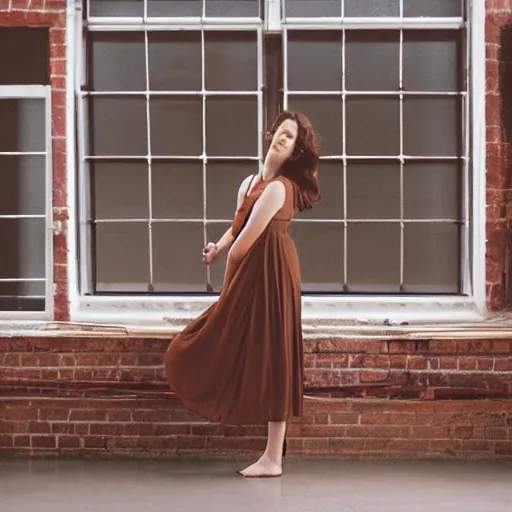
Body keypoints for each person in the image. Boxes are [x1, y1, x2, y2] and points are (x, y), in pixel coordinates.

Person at [164, 110, 321, 477]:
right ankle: (271, 457)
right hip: (252, 266)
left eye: (292, 137)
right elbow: (236, 231)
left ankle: (273, 459)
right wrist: (215, 249)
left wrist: (226, 294)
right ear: (270, 136)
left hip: (272, 270)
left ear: (296, 150)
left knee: (275, 354)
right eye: (281, 131)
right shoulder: (250, 182)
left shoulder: (280, 187)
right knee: (260, 349)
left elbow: (243, 249)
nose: (284, 138)